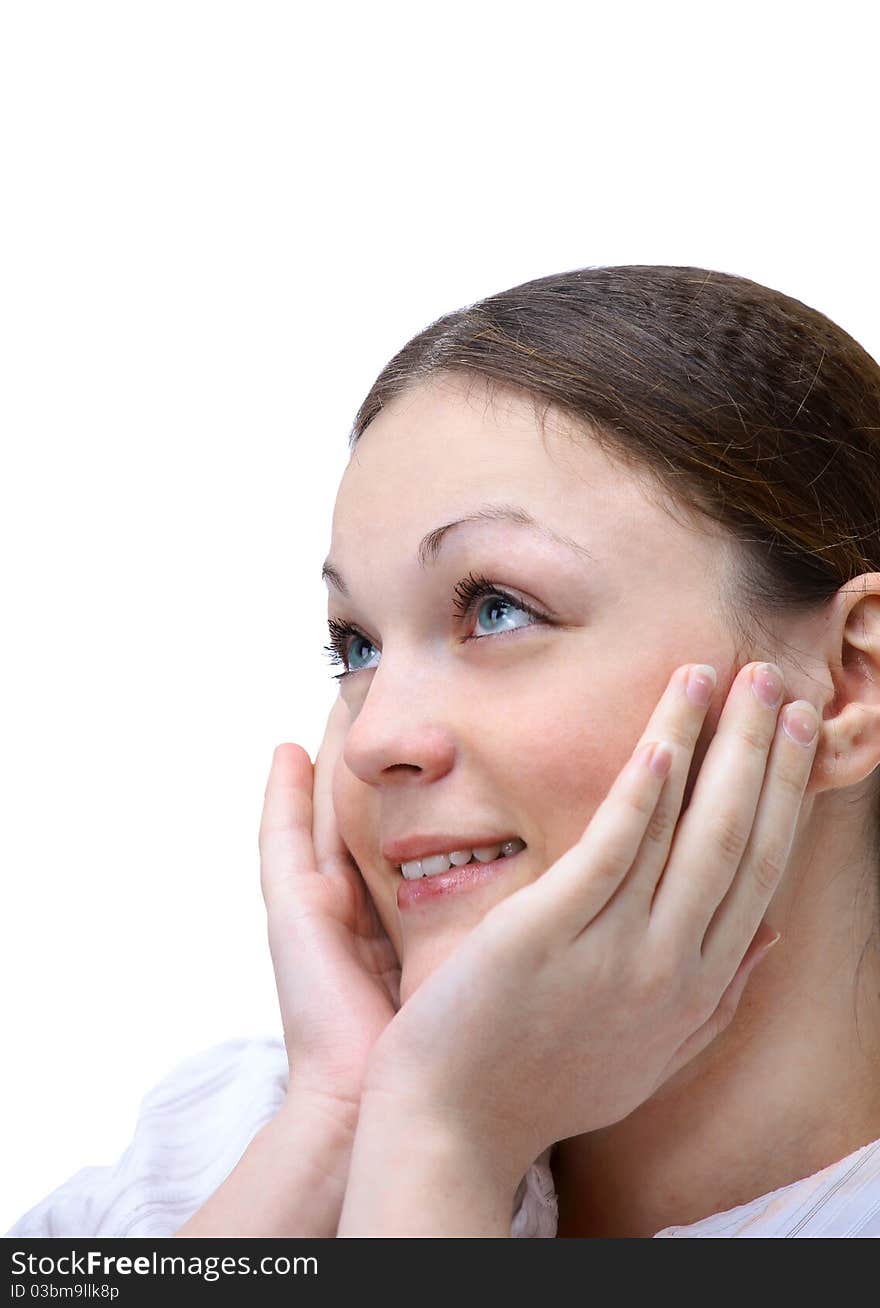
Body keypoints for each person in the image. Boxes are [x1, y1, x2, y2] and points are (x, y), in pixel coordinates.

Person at [7, 264, 880, 1239]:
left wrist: (441, 1146)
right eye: (356, 646)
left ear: (848, 683)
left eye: (498, 611)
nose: (374, 738)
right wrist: (342, 1124)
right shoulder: (218, 1152)